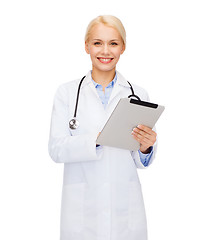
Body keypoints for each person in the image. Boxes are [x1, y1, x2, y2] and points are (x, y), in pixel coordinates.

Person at [48, 15, 157, 240]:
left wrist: (146, 148)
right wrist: (96, 140)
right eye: (97, 43)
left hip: (125, 212)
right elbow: (56, 149)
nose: (105, 51)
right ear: (86, 46)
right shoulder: (67, 93)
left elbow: (138, 159)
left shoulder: (138, 94)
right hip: (82, 212)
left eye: (113, 43)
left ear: (123, 48)